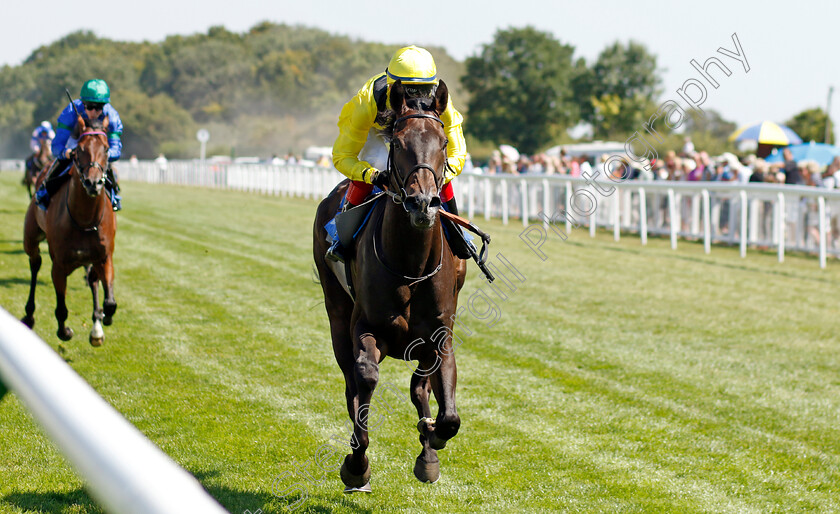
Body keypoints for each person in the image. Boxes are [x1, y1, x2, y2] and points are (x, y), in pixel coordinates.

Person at [326, 45, 467, 262]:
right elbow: (342, 156)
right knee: (379, 161)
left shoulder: (440, 104)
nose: (416, 99)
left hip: (416, 135)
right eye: (408, 91)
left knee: (432, 163)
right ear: (393, 87)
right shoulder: (367, 104)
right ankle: (341, 235)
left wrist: (438, 175)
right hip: (377, 131)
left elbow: (457, 154)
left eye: (422, 90)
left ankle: (458, 233)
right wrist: (371, 175)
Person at [35, 79, 124, 211]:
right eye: (90, 106)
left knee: (110, 171)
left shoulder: (112, 117)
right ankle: (44, 191)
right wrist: (66, 153)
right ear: (83, 103)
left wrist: (104, 154)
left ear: (105, 106)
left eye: (99, 107)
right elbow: (56, 146)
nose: (94, 112)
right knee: (60, 164)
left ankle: (114, 195)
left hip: (99, 149)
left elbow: (116, 148)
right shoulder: (70, 112)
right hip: (74, 144)